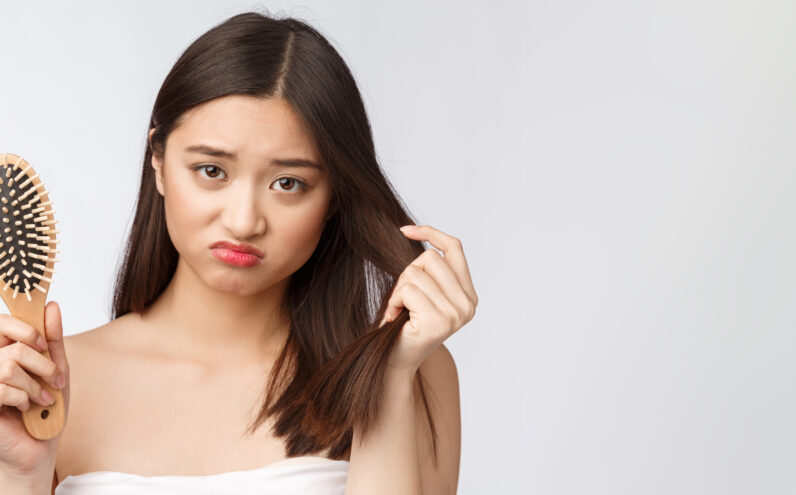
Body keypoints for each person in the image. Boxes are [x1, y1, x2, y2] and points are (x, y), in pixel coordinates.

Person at [0, 10, 475, 495]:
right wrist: (19, 476)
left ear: (334, 196)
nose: (244, 220)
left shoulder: (415, 372)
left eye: (288, 183)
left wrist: (387, 379)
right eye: (211, 172)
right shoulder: (47, 390)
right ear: (159, 162)